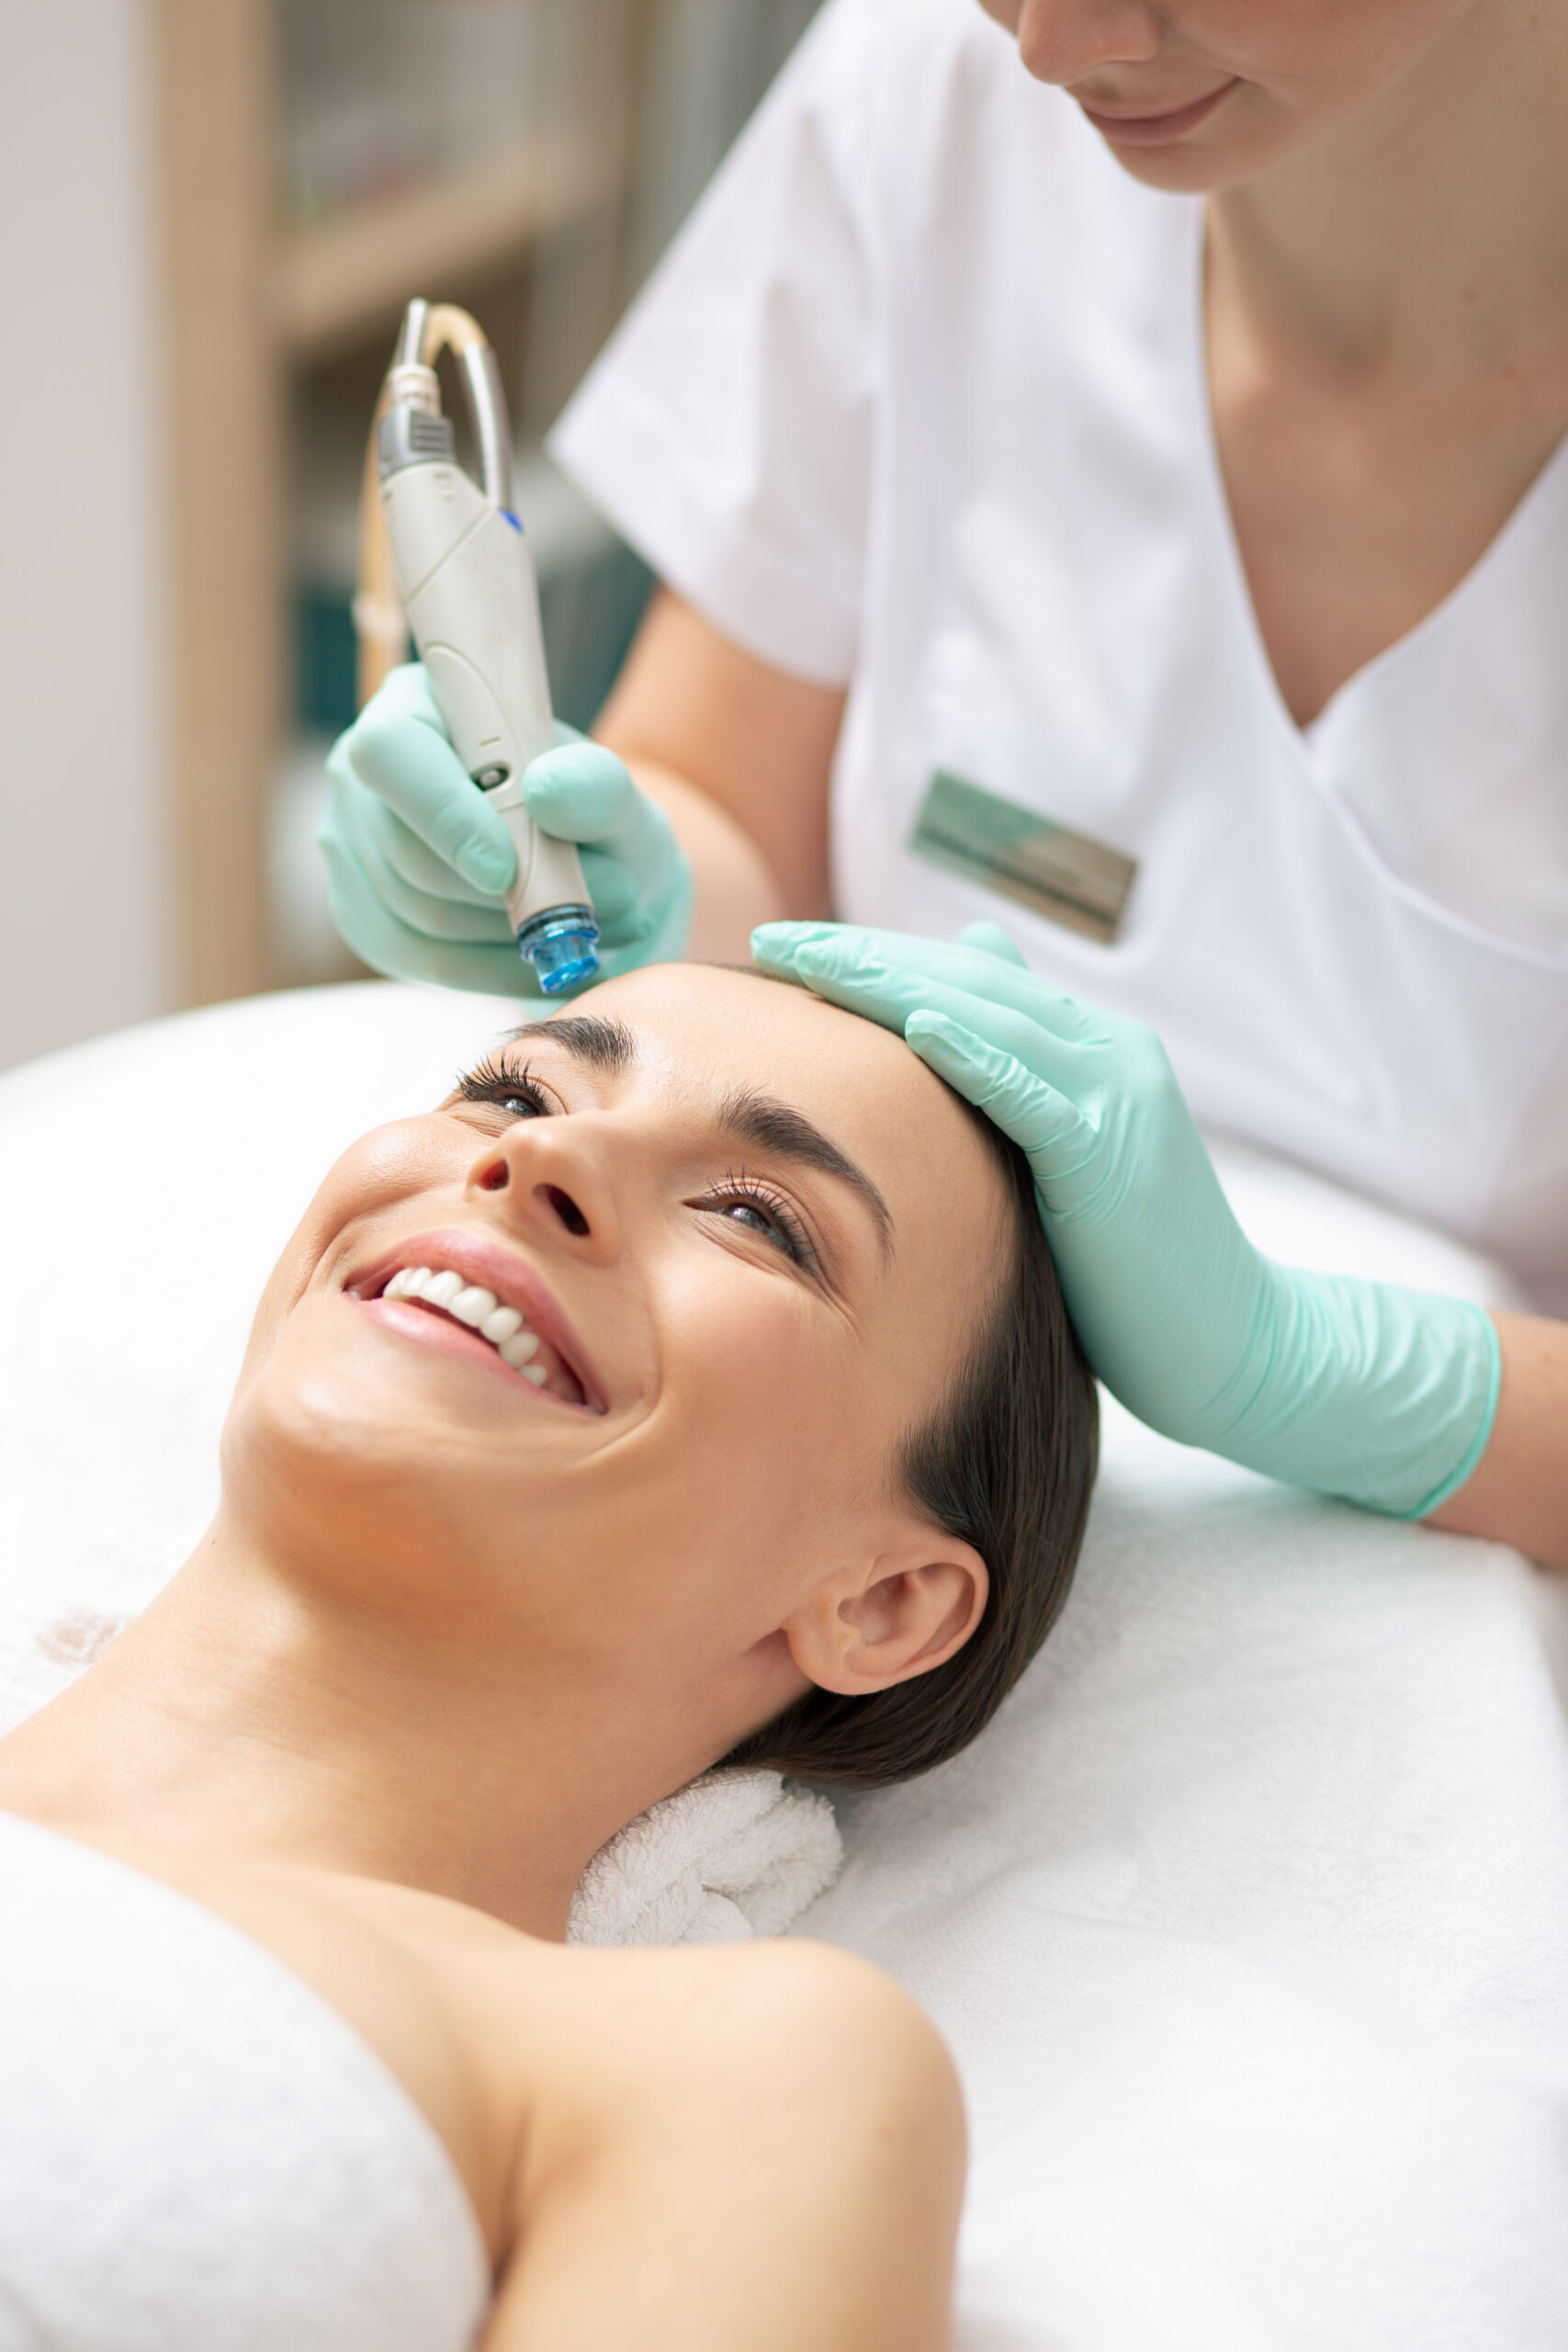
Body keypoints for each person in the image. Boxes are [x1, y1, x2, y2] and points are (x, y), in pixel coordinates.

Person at [321, 0, 1567, 1567]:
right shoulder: (932, 82)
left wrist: (1323, 1377)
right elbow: (720, 782)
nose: (1051, 43)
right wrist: (636, 883)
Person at [0, 960, 1097, 2351]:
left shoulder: (701, 2078)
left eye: (759, 1218)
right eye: (512, 1090)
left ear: (880, 1605)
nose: (544, 1154)